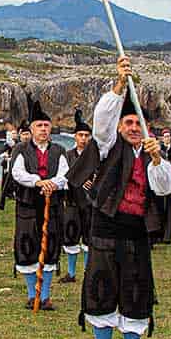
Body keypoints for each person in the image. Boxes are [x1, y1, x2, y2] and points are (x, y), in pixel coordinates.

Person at [81, 55, 171, 339]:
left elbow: (165, 187)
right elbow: (102, 120)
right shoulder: (108, 146)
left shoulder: (155, 156)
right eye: (129, 124)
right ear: (121, 128)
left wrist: (157, 158)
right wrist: (119, 83)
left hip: (136, 233)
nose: (134, 128)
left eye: (138, 124)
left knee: (135, 297)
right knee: (102, 293)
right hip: (105, 229)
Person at [9, 98, 69, 310]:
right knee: (27, 247)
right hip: (27, 205)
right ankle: (30, 294)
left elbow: (65, 173)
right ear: (31, 128)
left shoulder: (59, 150)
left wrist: (52, 184)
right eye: (39, 126)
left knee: (50, 248)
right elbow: (17, 173)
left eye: (46, 126)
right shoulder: (20, 149)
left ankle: (44, 296)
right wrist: (37, 181)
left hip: (52, 205)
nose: (43, 129)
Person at [58, 108, 99, 283]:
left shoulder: (96, 156)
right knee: (71, 237)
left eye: (86, 135)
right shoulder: (66, 156)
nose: (83, 138)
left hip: (91, 203)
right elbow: (64, 178)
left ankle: (89, 272)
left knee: (90, 239)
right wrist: (81, 180)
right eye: (80, 135)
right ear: (75, 136)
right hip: (72, 203)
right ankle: (71, 273)